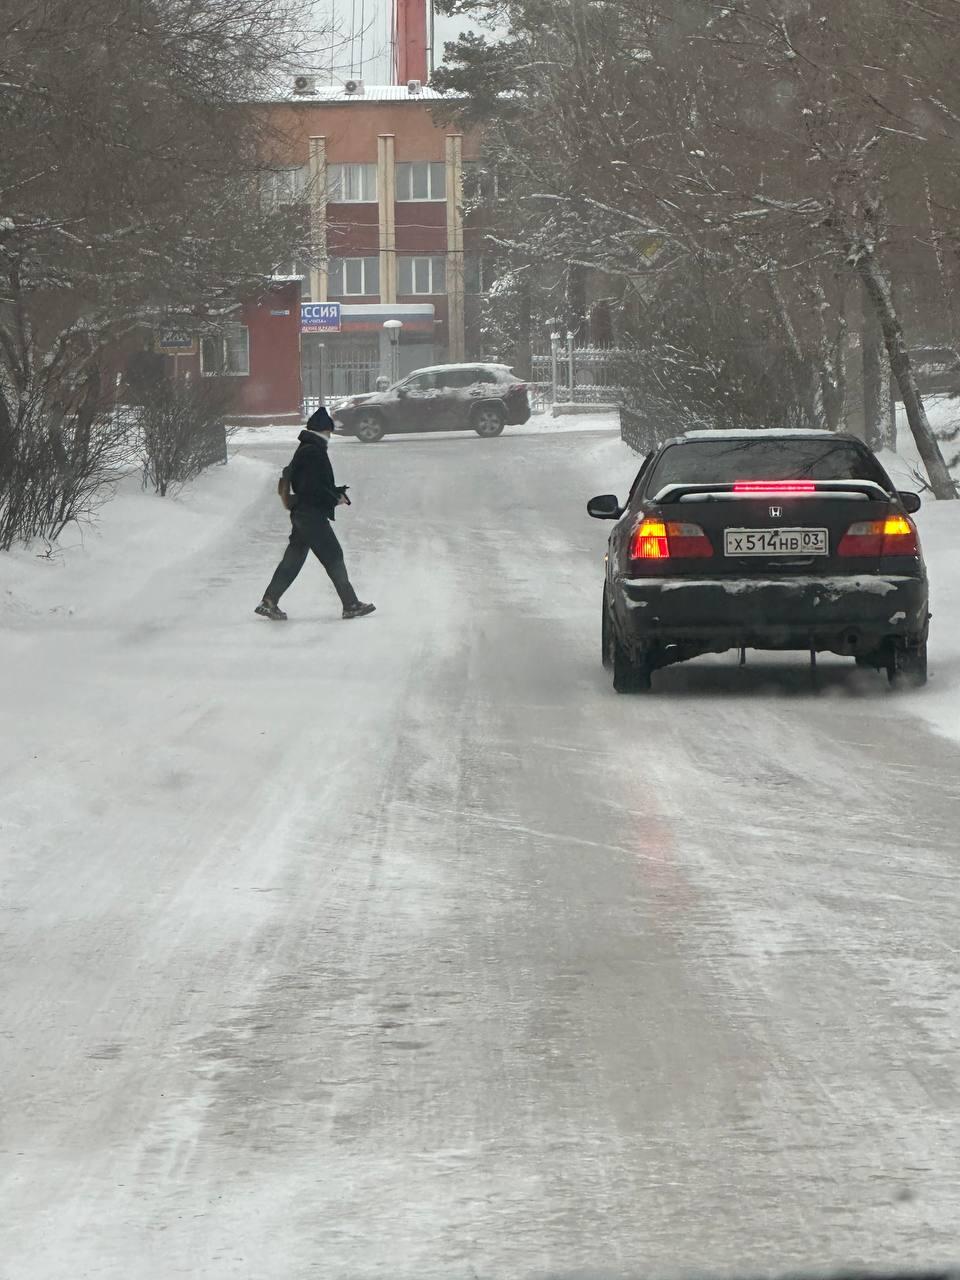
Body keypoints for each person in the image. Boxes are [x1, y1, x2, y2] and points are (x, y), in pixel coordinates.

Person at [255, 406, 375, 621]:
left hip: (302, 513)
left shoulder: (306, 448)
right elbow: (314, 488)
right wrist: (334, 498)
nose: (330, 437)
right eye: (329, 432)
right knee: (334, 557)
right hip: (311, 516)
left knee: (293, 560)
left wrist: (335, 493)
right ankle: (350, 604)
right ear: (322, 431)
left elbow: (308, 483)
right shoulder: (314, 451)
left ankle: (269, 601)